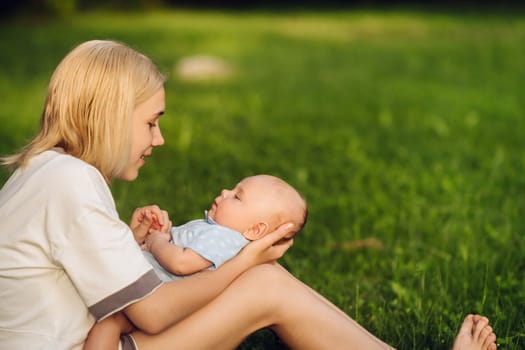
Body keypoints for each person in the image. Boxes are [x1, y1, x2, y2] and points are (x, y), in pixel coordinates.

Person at [0, 39, 496, 350]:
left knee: (259, 284)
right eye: (150, 122)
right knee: (264, 286)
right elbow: (152, 312)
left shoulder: (44, 173)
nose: (159, 139)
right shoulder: (70, 181)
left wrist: (126, 243)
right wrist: (249, 259)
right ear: (109, 117)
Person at [143, 174, 308, 281]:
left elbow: (180, 263)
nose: (224, 191)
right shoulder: (216, 230)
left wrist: (156, 242)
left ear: (255, 230)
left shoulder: (223, 238)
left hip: (150, 290)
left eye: (237, 196)